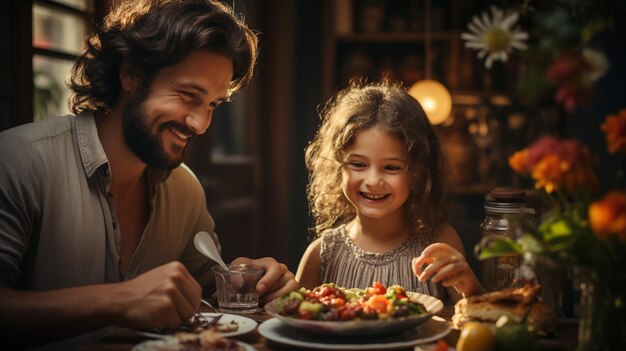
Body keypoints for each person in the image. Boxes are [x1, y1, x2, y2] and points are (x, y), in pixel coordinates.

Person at [0, 0, 297, 349]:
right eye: (188, 95)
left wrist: (245, 282)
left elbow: (203, 298)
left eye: (213, 104)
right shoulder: (20, 160)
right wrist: (119, 301)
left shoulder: (185, 189)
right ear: (130, 74)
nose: (200, 124)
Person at [296, 81, 484, 304]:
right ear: (337, 166)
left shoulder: (440, 241)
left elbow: (480, 318)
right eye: (358, 164)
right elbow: (294, 321)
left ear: (419, 172)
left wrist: (471, 287)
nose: (373, 181)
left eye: (392, 167)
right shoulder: (322, 253)